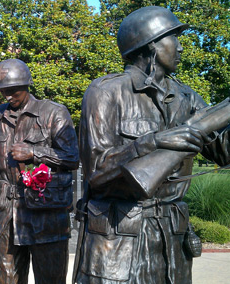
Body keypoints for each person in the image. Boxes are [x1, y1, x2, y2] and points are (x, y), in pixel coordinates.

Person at [74, 6, 230, 284]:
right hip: (119, 240)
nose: (181, 48)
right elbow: (97, 172)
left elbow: (224, 152)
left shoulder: (187, 97)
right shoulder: (105, 91)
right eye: (174, 39)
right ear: (152, 45)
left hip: (171, 241)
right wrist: (151, 143)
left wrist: (219, 119)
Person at [0, 58, 80, 283]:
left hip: (47, 214)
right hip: (7, 215)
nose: (8, 96)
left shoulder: (54, 113)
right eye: (3, 91)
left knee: (50, 278)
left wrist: (34, 153)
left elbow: (72, 158)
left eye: (13, 90)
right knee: (7, 279)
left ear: (27, 85)